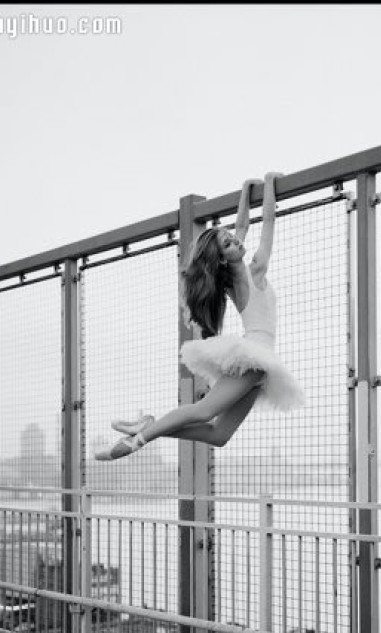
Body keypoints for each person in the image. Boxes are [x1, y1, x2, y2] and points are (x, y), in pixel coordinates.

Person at [95, 171, 304, 462]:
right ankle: (139, 441)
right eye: (229, 244)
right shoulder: (255, 268)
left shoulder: (230, 276)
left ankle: (151, 427)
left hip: (258, 357)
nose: (236, 241)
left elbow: (241, 225)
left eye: (232, 238)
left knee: (218, 435)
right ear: (221, 258)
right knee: (204, 411)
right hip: (256, 356)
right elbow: (268, 221)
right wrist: (270, 183)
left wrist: (245, 191)